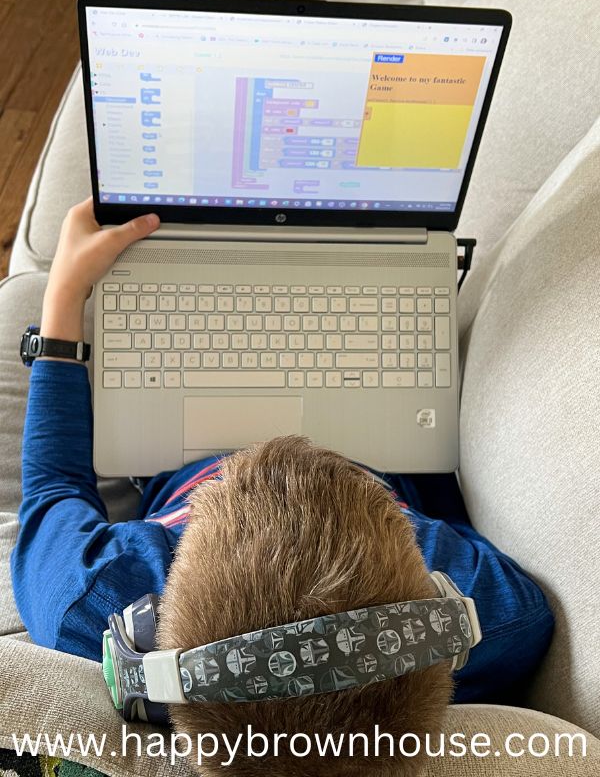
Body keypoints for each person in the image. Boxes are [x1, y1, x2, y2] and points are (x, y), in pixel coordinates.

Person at [11, 198, 554, 775]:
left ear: (148, 632)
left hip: (185, 443)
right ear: (438, 600)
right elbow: (472, 540)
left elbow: (53, 488)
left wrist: (64, 295)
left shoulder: (92, 603)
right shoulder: (497, 618)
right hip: (378, 440)